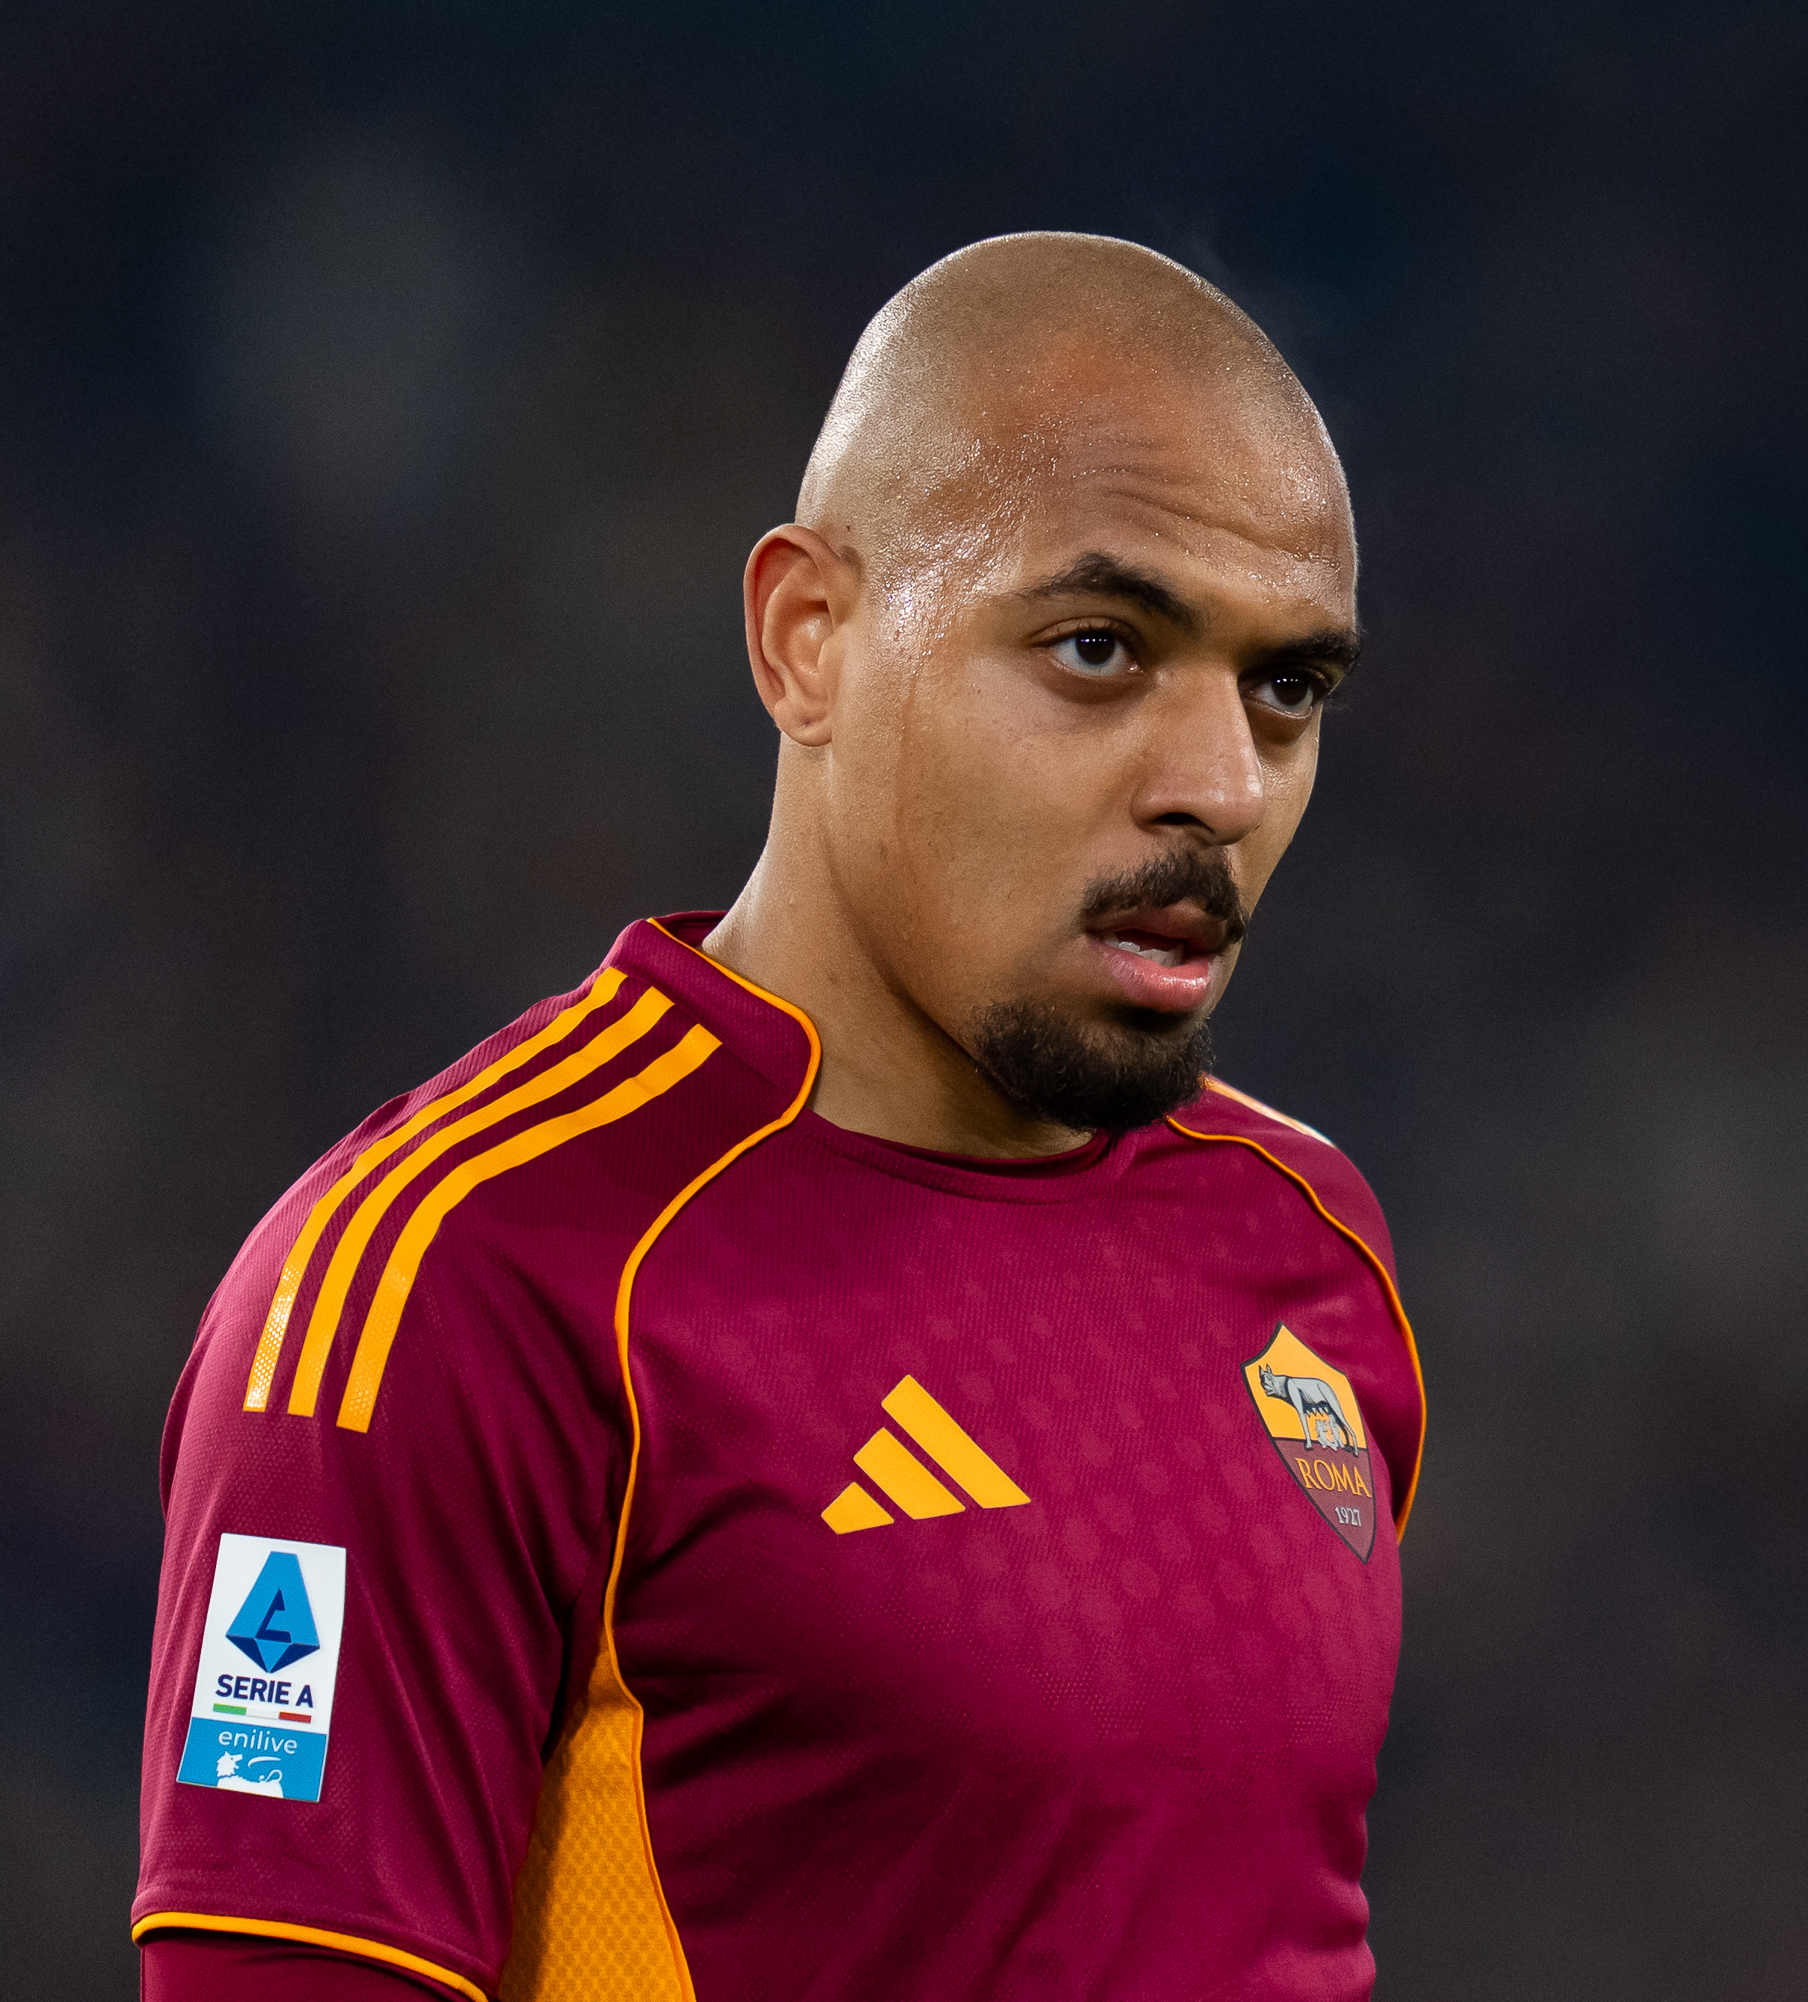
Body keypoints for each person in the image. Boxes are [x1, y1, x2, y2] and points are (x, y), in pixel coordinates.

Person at [130, 233, 1423, 2001]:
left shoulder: (1308, 1240)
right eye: (1099, 648)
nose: (1221, 785)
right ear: (807, 639)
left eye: (1287, 688)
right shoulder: (451, 1286)